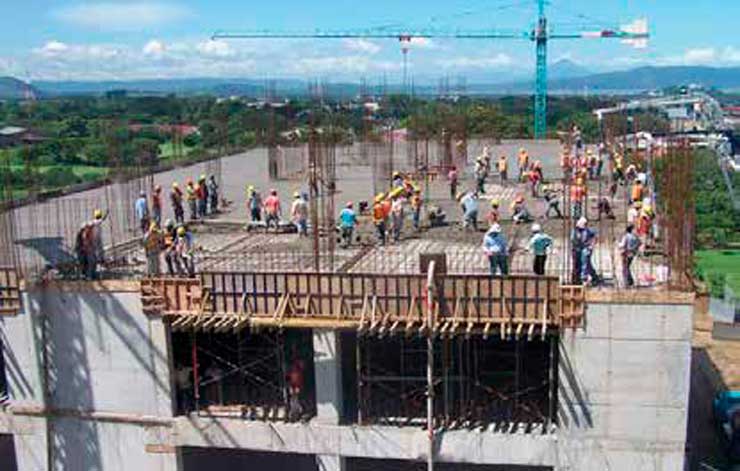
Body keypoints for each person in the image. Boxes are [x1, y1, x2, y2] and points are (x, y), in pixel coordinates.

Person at [571, 217, 598, 285]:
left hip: (586, 248)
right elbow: (573, 241)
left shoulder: (587, 231)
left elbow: (595, 236)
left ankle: (584, 278)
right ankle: (593, 276)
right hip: (577, 249)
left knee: (585, 262)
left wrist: (591, 245)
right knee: (582, 264)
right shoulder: (574, 231)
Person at [618, 223, 641, 288]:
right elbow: (639, 243)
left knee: (625, 268)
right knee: (627, 267)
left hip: (626, 253)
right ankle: (629, 281)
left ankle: (628, 282)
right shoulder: (635, 237)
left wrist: (618, 244)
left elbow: (622, 245)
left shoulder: (626, 236)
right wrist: (635, 249)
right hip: (632, 253)